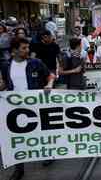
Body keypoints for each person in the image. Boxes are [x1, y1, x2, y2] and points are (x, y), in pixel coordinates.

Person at [0, 38, 55, 180]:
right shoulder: (6, 66)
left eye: (27, 47)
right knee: (17, 137)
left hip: (35, 106)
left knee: (41, 132)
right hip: (15, 109)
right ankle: (19, 169)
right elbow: (5, 84)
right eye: (24, 48)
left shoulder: (35, 63)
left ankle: (48, 154)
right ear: (14, 51)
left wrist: (49, 84)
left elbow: (50, 76)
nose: (27, 50)